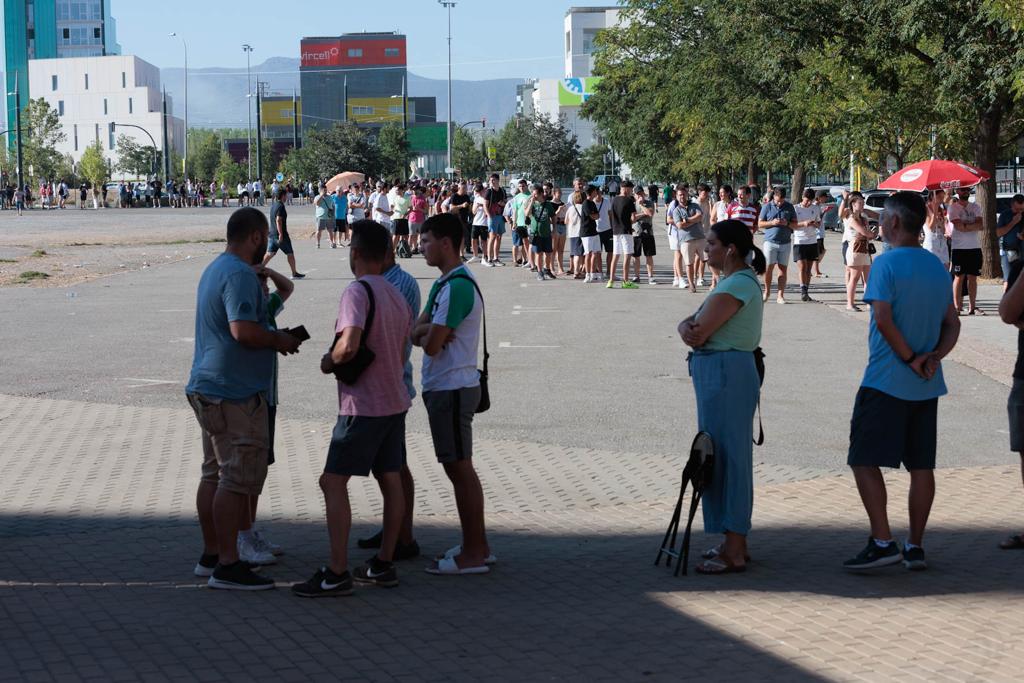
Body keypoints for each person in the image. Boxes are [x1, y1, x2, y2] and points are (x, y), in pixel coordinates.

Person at [291, 220, 413, 597]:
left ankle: (337, 571)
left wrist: (329, 361)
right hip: (395, 399)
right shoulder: (397, 293)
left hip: (364, 404)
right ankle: (383, 563)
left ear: (355, 252)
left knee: (332, 481)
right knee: (391, 478)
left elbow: (349, 345)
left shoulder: (358, 292)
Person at [186, 207, 304, 590]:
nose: (266, 244)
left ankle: (210, 556)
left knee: (213, 474)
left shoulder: (215, 268)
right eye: (265, 237)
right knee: (234, 478)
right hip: (233, 393)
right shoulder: (238, 275)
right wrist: (279, 341)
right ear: (254, 237)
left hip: (210, 386)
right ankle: (227, 564)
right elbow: (243, 331)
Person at [843, 192, 960, 572]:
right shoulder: (936, 266)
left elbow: (883, 319)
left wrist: (911, 359)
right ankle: (916, 545)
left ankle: (882, 540)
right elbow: (952, 322)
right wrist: (934, 358)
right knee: (921, 466)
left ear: (895, 223)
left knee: (862, 458)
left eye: (883, 219)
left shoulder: (886, 265)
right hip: (927, 383)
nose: (879, 225)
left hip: (887, 379)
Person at [677, 219, 766, 574]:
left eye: (712, 243)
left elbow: (698, 330)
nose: (706, 248)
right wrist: (685, 326)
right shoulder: (731, 283)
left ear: (730, 249)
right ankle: (732, 540)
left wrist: (686, 327)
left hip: (728, 373)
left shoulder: (738, 284)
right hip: (721, 372)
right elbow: (693, 322)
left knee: (729, 459)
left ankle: (736, 547)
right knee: (717, 455)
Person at [413, 213, 493, 574]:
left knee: (460, 470)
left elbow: (428, 344)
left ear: (446, 243)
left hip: (453, 387)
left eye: (427, 240)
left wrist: (426, 332)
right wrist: (427, 331)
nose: (421, 246)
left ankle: (474, 552)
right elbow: (419, 328)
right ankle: (477, 543)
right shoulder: (443, 283)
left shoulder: (458, 285)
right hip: (444, 387)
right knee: (457, 467)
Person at [357, 242, 423, 561]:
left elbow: (387, 334)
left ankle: (402, 536)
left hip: (390, 383)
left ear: (386, 255)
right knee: (389, 463)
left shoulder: (398, 283)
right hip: (387, 383)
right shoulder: (389, 281)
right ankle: (395, 530)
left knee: (393, 464)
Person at [236, 264, 294, 565]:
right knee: (248, 469)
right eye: (260, 284)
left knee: (260, 467)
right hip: (253, 397)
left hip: (269, 397)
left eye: (265, 283)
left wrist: (268, 271)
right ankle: (241, 535)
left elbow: (288, 288)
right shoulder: (248, 315)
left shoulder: (267, 308)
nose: (266, 288)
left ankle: (250, 530)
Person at [948, 188, 984, 314]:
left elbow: (980, 225)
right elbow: (958, 227)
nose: (965, 192)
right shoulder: (953, 208)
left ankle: (972, 307)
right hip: (959, 248)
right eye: (962, 190)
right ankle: (957, 307)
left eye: (967, 190)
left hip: (974, 247)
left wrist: (965, 226)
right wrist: (970, 226)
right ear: (958, 191)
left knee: (973, 278)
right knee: (959, 277)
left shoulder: (976, 207)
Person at [758, 188, 797, 304]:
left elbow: (795, 225)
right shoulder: (767, 206)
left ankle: (780, 295)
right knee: (768, 268)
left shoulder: (790, 207)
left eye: (781, 201)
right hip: (770, 242)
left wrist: (788, 223)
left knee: (783, 269)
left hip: (785, 242)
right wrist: (772, 223)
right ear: (774, 197)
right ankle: (767, 291)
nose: (779, 203)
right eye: (777, 200)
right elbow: (759, 224)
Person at [263, 188, 305, 279]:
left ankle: (257, 270)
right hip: (280, 235)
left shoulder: (274, 205)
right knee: (290, 253)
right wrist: (281, 234)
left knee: (270, 253)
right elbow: (278, 220)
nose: (287, 197)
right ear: (283, 196)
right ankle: (294, 273)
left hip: (272, 234)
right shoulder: (280, 206)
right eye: (286, 195)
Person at [843, 192, 874, 311]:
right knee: (854, 278)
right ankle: (850, 304)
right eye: (860, 203)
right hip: (855, 249)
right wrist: (872, 234)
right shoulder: (851, 218)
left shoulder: (863, 217)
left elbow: (868, 233)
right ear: (853, 205)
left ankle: (868, 302)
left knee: (867, 278)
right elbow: (865, 233)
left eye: (863, 203)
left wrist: (871, 234)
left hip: (864, 249)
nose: (862, 205)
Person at [670, 187, 704, 292]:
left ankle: (715, 281)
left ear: (687, 195)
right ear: (676, 196)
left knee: (708, 259)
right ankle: (691, 284)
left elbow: (700, 216)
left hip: (700, 237)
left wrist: (687, 220)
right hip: (686, 240)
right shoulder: (676, 211)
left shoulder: (695, 205)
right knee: (689, 263)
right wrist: (694, 220)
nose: (682, 196)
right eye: (680, 195)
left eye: (684, 194)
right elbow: (679, 225)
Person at [792, 188, 823, 302]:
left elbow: (819, 223)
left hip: (812, 241)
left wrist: (814, 224)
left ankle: (806, 291)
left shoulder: (815, 208)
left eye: (810, 201)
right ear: (802, 197)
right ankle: (803, 290)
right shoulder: (796, 208)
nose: (808, 203)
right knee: (802, 267)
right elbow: (792, 225)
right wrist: (803, 223)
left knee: (809, 269)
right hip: (799, 241)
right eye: (806, 200)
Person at [607, 180, 638, 289]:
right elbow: (633, 218)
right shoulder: (629, 201)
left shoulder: (614, 200)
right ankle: (625, 280)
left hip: (616, 231)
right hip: (626, 231)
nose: (631, 191)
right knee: (627, 255)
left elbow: (611, 215)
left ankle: (610, 280)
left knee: (615, 256)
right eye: (630, 189)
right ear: (625, 188)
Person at [523, 183, 557, 281]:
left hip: (546, 233)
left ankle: (547, 269)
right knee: (539, 253)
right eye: (533, 194)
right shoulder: (532, 203)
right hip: (536, 233)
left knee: (548, 253)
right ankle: (539, 272)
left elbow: (553, 217)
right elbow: (526, 213)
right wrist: (531, 202)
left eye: (535, 195)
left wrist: (554, 229)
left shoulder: (548, 204)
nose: (534, 196)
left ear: (541, 194)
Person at [997, 194, 1024, 291]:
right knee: (1008, 280)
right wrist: (1013, 222)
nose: (1020, 212)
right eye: (1017, 209)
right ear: (1012, 205)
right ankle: (1006, 302)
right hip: (1008, 251)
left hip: (1022, 252)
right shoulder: (1005, 215)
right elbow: (998, 232)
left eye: (1022, 209)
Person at [631, 186, 656, 284]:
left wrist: (641, 206)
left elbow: (650, 213)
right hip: (636, 232)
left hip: (648, 232)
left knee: (649, 255)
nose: (639, 195)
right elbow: (632, 219)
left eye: (641, 193)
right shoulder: (632, 204)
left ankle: (650, 276)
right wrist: (642, 214)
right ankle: (636, 276)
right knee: (636, 256)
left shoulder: (649, 203)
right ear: (634, 195)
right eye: (637, 194)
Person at [483, 174, 507, 266]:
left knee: (499, 237)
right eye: (490, 180)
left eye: (493, 180)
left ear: (498, 180)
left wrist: (503, 203)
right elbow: (485, 205)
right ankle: (489, 259)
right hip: (492, 216)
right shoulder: (489, 192)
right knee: (492, 236)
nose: (491, 181)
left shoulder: (502, 190)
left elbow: (506, 202)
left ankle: (496, 258)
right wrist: (489, 215)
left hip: (500, 216)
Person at [923, 190, 949, 268]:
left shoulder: (940, 209)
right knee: (932, 269)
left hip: (942, 243)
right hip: (931, 244)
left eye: (942, 197)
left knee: (945, 269)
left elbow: (943, 230)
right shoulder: (926, 209)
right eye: (939, 197)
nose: (942, 199)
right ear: (932, 196)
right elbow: (930, 227)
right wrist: (934, 212)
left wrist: (942, 224)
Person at [510, 179, 532, 267]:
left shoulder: (530, 196)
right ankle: (528, 260)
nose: (522, 188)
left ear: (526, 186)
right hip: (520, 223)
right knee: (524, 242)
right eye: (520, 186)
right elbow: (515, 211)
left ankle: (529, 260)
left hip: (529, 223)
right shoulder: (516, 197)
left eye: (523, 186)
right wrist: (514, 223)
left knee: (530, 243)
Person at [550, 186, 568, 275]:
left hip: (563, 226)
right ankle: (551, 267)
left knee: (561, 250)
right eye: (559, 193)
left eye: (561, 193)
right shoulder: (550, 204)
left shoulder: (563, 203)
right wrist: (558, 210)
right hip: (555, 227)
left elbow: (566, 217)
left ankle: (560, 268)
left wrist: (564, 216)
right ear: (554, 193)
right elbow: (551, 218)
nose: (560, 194)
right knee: (553, 249)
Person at [470, 183, 489, 263]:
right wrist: (477, 206)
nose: (479, 193)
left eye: (480, 191)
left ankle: (484, 256)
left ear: (483, 190)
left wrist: (483, 206)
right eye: (477, 192)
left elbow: (488, 211)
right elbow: (473, 212)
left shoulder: (486, 198)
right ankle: (475, 255)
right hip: (476, 222)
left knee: (484, 240)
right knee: (473, 239)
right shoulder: (476, 198)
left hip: (484, 223)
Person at [313, 184, 336, 249]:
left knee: (330, 230)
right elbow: (316, 203)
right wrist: (321, 195)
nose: (325, 191)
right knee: (319, 231)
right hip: (320, 216)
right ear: (320, 190)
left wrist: (333, 215)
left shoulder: (330, 197)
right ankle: (318, 243)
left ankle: (331, 243)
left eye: (326, 190)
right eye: (324, 190)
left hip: (329, 216)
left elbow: (333, 206)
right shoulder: (317, 197)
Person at [391, 183, 412, 252]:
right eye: (396, 190)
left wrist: (406, 214)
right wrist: (392, 209)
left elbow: (410, 208)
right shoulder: (395, 197)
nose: (396, 192)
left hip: (404, 219)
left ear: (402, 190)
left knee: (405, 236)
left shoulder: (407, 197)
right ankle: (392, 251)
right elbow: (393, 206)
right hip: (396, 218)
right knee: (395, 235)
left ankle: (407, 250)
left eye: (397, 190)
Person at [409, 185, 428, 255]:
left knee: (421, 234)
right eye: (413, 190)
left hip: (420, 219)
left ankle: (420, 247)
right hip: (411, 218)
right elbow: (407, 208)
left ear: (419, 190)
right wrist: (410, 209)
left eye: (415, 189)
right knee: (412, 234)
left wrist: (419, 209)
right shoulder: (410, 197)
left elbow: (426, 211)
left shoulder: (423, 198)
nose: (414, 191)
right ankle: (412, 248)